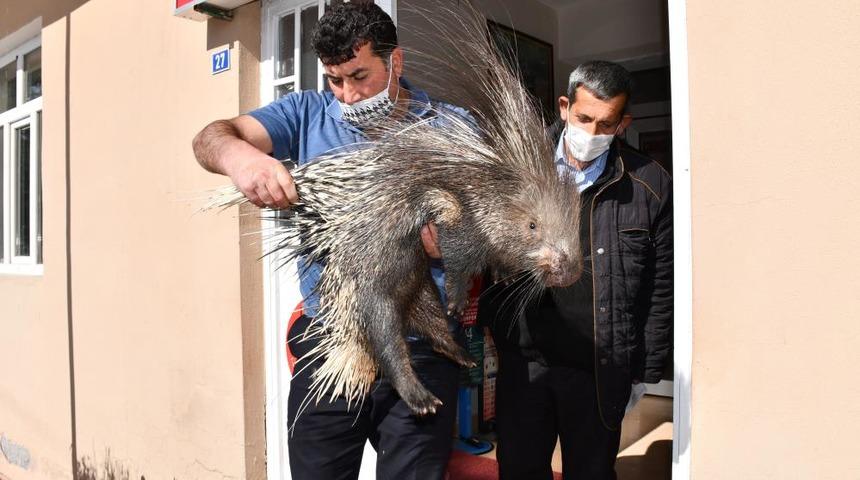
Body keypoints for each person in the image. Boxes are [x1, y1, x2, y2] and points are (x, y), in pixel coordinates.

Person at [192, 4, 467, 479]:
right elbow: (210, 138)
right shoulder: (304, 112)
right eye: (335, 80)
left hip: (421, 343)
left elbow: (492, 236)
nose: (347, 94)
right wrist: (241, 159)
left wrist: (454, 244)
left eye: (359, 76)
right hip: (329, 340)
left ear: (395, 61)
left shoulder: (452, 126)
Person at [479, 60, 673, 480]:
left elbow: (660, 285)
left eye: (606, 124)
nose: (592, 134)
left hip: (598, 369)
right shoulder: (517, 173)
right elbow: (483, 251)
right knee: (520, 469)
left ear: (624, 123)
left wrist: (646, 370)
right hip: (525, 361)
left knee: (592, 472)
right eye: (584, 118)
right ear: (565, 107)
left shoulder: (649, 186)